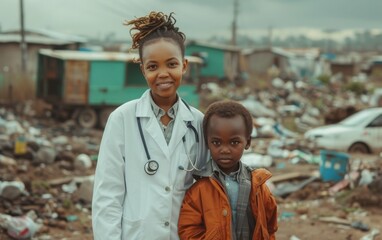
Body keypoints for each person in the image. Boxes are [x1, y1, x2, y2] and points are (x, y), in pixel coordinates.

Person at [92, 11, 208, 240]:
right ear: (143, 69)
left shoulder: (198, 122)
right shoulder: (122, 119)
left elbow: (205, 191)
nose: (163, 74)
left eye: (172, 64)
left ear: (184, 66)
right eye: (153, 66)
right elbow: (108, 195)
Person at [178, 100, 278, 240]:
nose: (225, 150)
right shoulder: (198, 191)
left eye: (234, 142)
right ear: (207, 143)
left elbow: (270, 226)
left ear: (247, 142)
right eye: (216, 142)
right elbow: (188, 231)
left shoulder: (259, 188)